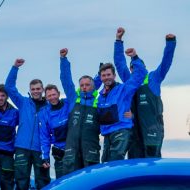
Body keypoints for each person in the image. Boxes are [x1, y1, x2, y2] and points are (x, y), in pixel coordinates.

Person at [114, 27, 177, 158]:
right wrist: (118, 41)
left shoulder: (154, 78)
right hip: (134, 130)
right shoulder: (130, 81)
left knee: (152, 163)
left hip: (152, 129)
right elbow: (120, 64)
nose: (132, 71)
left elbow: (166, 62)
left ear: (143, 68)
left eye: (136, 67)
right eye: (131, 68)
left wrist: (170, 43)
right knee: (135, 164)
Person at [5, 59, 50, 190]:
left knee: (43, 181)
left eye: (38, 89)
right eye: (33, 89)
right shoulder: (23, 102)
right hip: (22, 147)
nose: (35, 91)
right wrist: (15, 68)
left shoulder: (49, 107)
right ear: (30, 90)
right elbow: (9, 87)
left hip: (40, 150)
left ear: (43, 89)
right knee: (21, 181)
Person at [97, 48, 147, 163]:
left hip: (121, 131)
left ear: (114, 76)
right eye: (103, 75)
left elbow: (140, 75)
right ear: (100, 78)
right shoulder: (100, 97)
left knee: (115, 160)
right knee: (105, 163)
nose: (106, 77)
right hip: (107, 135)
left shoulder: (124, 89)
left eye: (109, 74)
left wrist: (134, 57)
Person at [59, 48, 102, 175]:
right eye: (82, 85)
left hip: (91, 148)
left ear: (93, 86)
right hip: (72, 148)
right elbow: (65, 80)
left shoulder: (99, 101)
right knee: (71, 179)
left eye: (87, 85)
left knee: (91, 180)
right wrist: (63, 60)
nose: (84, 87)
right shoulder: (73, 98)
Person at [38, 84, 73, 179]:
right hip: (59, 153)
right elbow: (45, 137)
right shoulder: (44, 113)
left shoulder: (69, 103)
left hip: (74, 149)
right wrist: (45, 157)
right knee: (62, 181)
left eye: (54, 94)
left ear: (58, 94)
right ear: (46, 97)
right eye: (49, 96)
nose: (52, 97)